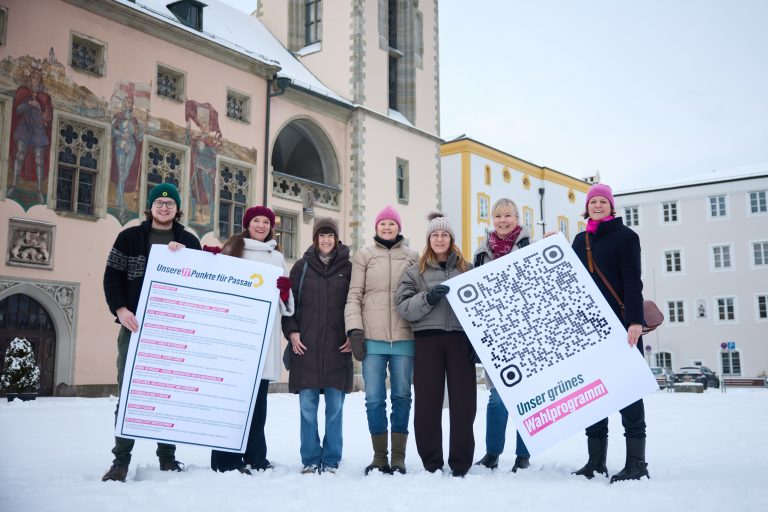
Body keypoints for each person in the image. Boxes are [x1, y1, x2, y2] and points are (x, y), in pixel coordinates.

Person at [102, 183, 201, 482]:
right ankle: (120, 460)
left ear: (177, 209)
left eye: (170, 204)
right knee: (130, 392)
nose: (164, 207)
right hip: (135, 327)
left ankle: (167, 457)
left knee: (167, 392)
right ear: (150, 207)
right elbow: (112, 277)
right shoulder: (129, 237)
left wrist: (186, 258)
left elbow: (200, 283)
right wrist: (121, 309)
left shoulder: (189, 241)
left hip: (172, 330)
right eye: (159, 202)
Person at [570, 183, 649, 483]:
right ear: (587, 207)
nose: (598, 205)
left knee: (628, 392)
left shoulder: (626, 237)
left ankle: (637, 463)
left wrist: (635, 321)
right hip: (588, 331)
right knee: (593, 395)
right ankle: (595, 461)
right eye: (594, 202)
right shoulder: (580, 240)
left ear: (612, 206)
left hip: (622, 327)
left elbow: (632, 281)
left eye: (604, 201)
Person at [209, 206, 295, 474]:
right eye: (256, 221)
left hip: (264, 335)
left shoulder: (277, 257)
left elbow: (287, 307)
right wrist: (210, 263)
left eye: (266, 222)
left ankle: (256, 456)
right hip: (236, 336)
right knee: (234, 401)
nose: (261, 225)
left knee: (258, 402)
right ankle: (225, 459)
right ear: (247, 224)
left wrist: (284, 294)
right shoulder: (234, 250)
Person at [395, 213, 476, 477]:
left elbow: (481, 307)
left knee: (464, 403)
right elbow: (404, 307)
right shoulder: (414, 271)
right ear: (429, 239)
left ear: (451, 239)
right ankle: (432, 461)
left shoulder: (468, 269)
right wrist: (428, 298)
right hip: (428, 340)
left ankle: (461, 462)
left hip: (460, 340)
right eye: (435, 235)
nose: (439, 239)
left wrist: (478, 342)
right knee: (428, 403)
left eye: (444, 235)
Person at [344, 205, 418, 475]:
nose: (387, 228)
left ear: (399, 228)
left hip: (404, 337)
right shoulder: (364, 256)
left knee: (402, 397)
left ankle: (398, 457)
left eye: (392, 224)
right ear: (376, 228)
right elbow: (354, 294)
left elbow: (418, 296)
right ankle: (379, 456)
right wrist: (354, 330)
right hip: (372, 338)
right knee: (374, 399)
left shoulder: (412, 256)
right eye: (382, 224)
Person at [282, 218, 353, 475]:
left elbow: (356, 304)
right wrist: (292, 333)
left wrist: (352, 335)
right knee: (307, 408)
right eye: (322, 235)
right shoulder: (301, 268)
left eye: (330, 235)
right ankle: (310, 458)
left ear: (336, 238)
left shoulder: (349, 268)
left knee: (335, 409)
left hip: (337, 348)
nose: (326, 240)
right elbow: (288, 306)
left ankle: (332, 458)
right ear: (315, 238)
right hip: (306, 349)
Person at [472, 198, 533, 473]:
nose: (503, 220)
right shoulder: (482, 252)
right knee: (497, 397)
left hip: (528, 334)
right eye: (498, 216)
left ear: (517, 217)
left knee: (525, 396)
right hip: (495, 335)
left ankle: (523, 454)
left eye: (508, 215)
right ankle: (492, 452)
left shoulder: (531, 247)